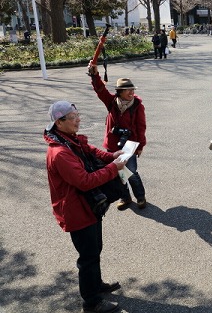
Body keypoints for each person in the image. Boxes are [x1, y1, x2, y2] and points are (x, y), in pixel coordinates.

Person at [44, 101, 126, 313]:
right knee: (88, 257)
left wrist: (111, 157)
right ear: (59, 122)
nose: (78, 119)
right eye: (73, 117)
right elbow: (85, 181)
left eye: (77, 114)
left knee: (95, 249)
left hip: (88, 206)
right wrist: (113, 168)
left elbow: (91, 151)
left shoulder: (70, 140)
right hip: (77, 211)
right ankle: (91, 302)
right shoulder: (60, 152)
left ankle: (96, 285)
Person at [89, 65, 148, 210]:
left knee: (131, 172)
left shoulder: (137, 106)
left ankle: (140, 197)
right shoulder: (111, 102)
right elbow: (100, 90)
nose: (131, 92)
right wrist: (95, 75)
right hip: (113, 144)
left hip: (130, 144)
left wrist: (140, 146)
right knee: (118, 172)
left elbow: (141, 127)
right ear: (120, 92)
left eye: (133, 90)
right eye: (128, 90)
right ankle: (125, 197)